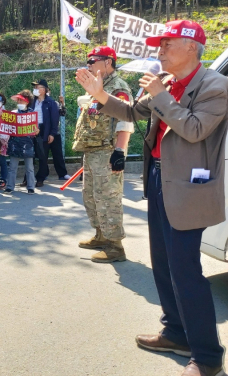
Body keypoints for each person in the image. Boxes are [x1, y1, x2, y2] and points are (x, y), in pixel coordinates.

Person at [76, 20, 228, 376]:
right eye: (158, 45)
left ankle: (207, 356)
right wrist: (100, 95)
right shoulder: (168, 83)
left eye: (167, 43)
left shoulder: (216, 85)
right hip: (160, 177)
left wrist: (162, 94)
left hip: (189, 187)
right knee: (163, 262)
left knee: (185, 268)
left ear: (192, 47)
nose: (159, 50)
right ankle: (176, 332)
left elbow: (193, 130)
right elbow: (130, 112)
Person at [72, 46, 134, 263]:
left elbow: (125, 120)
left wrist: (119, 150)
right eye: (88, 60)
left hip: (107, 151)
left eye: (93, 60)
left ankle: (115, 246)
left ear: (108, 62)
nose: (89, 64)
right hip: (92, 151)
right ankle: (101, 235)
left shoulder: (118, 88)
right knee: (91, 197)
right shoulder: (97, 88)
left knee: (108, 198)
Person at [29, 79, 67, 186]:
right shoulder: (32, 102)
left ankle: (40, 178)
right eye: (35, 87)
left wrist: (52, 134)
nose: (36, 89)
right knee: (36, 154)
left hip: (45, 130)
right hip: (34, 129)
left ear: (44, 90)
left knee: (43, 154)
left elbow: (54, 120)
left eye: (38, 87)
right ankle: (33, 177)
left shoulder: (51, 102)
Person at [5, 91, 38, 194]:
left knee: (29, 167)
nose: (19, 102)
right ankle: (10, 186)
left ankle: (31, 187)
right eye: (18, 100)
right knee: (12, 167)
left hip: (27, 143)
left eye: (21, 100)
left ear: (27, 101)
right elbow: (7, 127)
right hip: (15, 142)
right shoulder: (13, 113)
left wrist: (37, 130)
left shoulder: (32, 114)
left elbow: (36, 129)